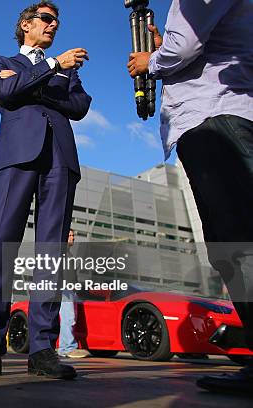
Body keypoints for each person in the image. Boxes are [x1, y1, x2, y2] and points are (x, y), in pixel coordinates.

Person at [127, 0, 253, 395]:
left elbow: (184, 48)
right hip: (222, 115)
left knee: (238, 245)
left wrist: (151, 61)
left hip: (214, 117)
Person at [0, 1, 91, 378]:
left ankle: (42, 350)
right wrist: (51, 69)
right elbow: (6, 92)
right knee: (3, 245)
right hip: (17, 157)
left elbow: (81, 105)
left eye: (57, 22)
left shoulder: (64, 70)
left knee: (50, 254)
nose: (54, 26)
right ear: (26, 24)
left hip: (60, 160)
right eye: (47, 19)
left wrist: (36, 86)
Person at [57, 230, 89, 358]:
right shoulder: (61, 251)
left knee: (69, 317)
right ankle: (67, 348)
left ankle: (65, 347)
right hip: (64, 288)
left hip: (70, 289)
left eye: (73, 235)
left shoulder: (69, 254)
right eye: (69, 235)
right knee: (68, 317)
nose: (72, 238)